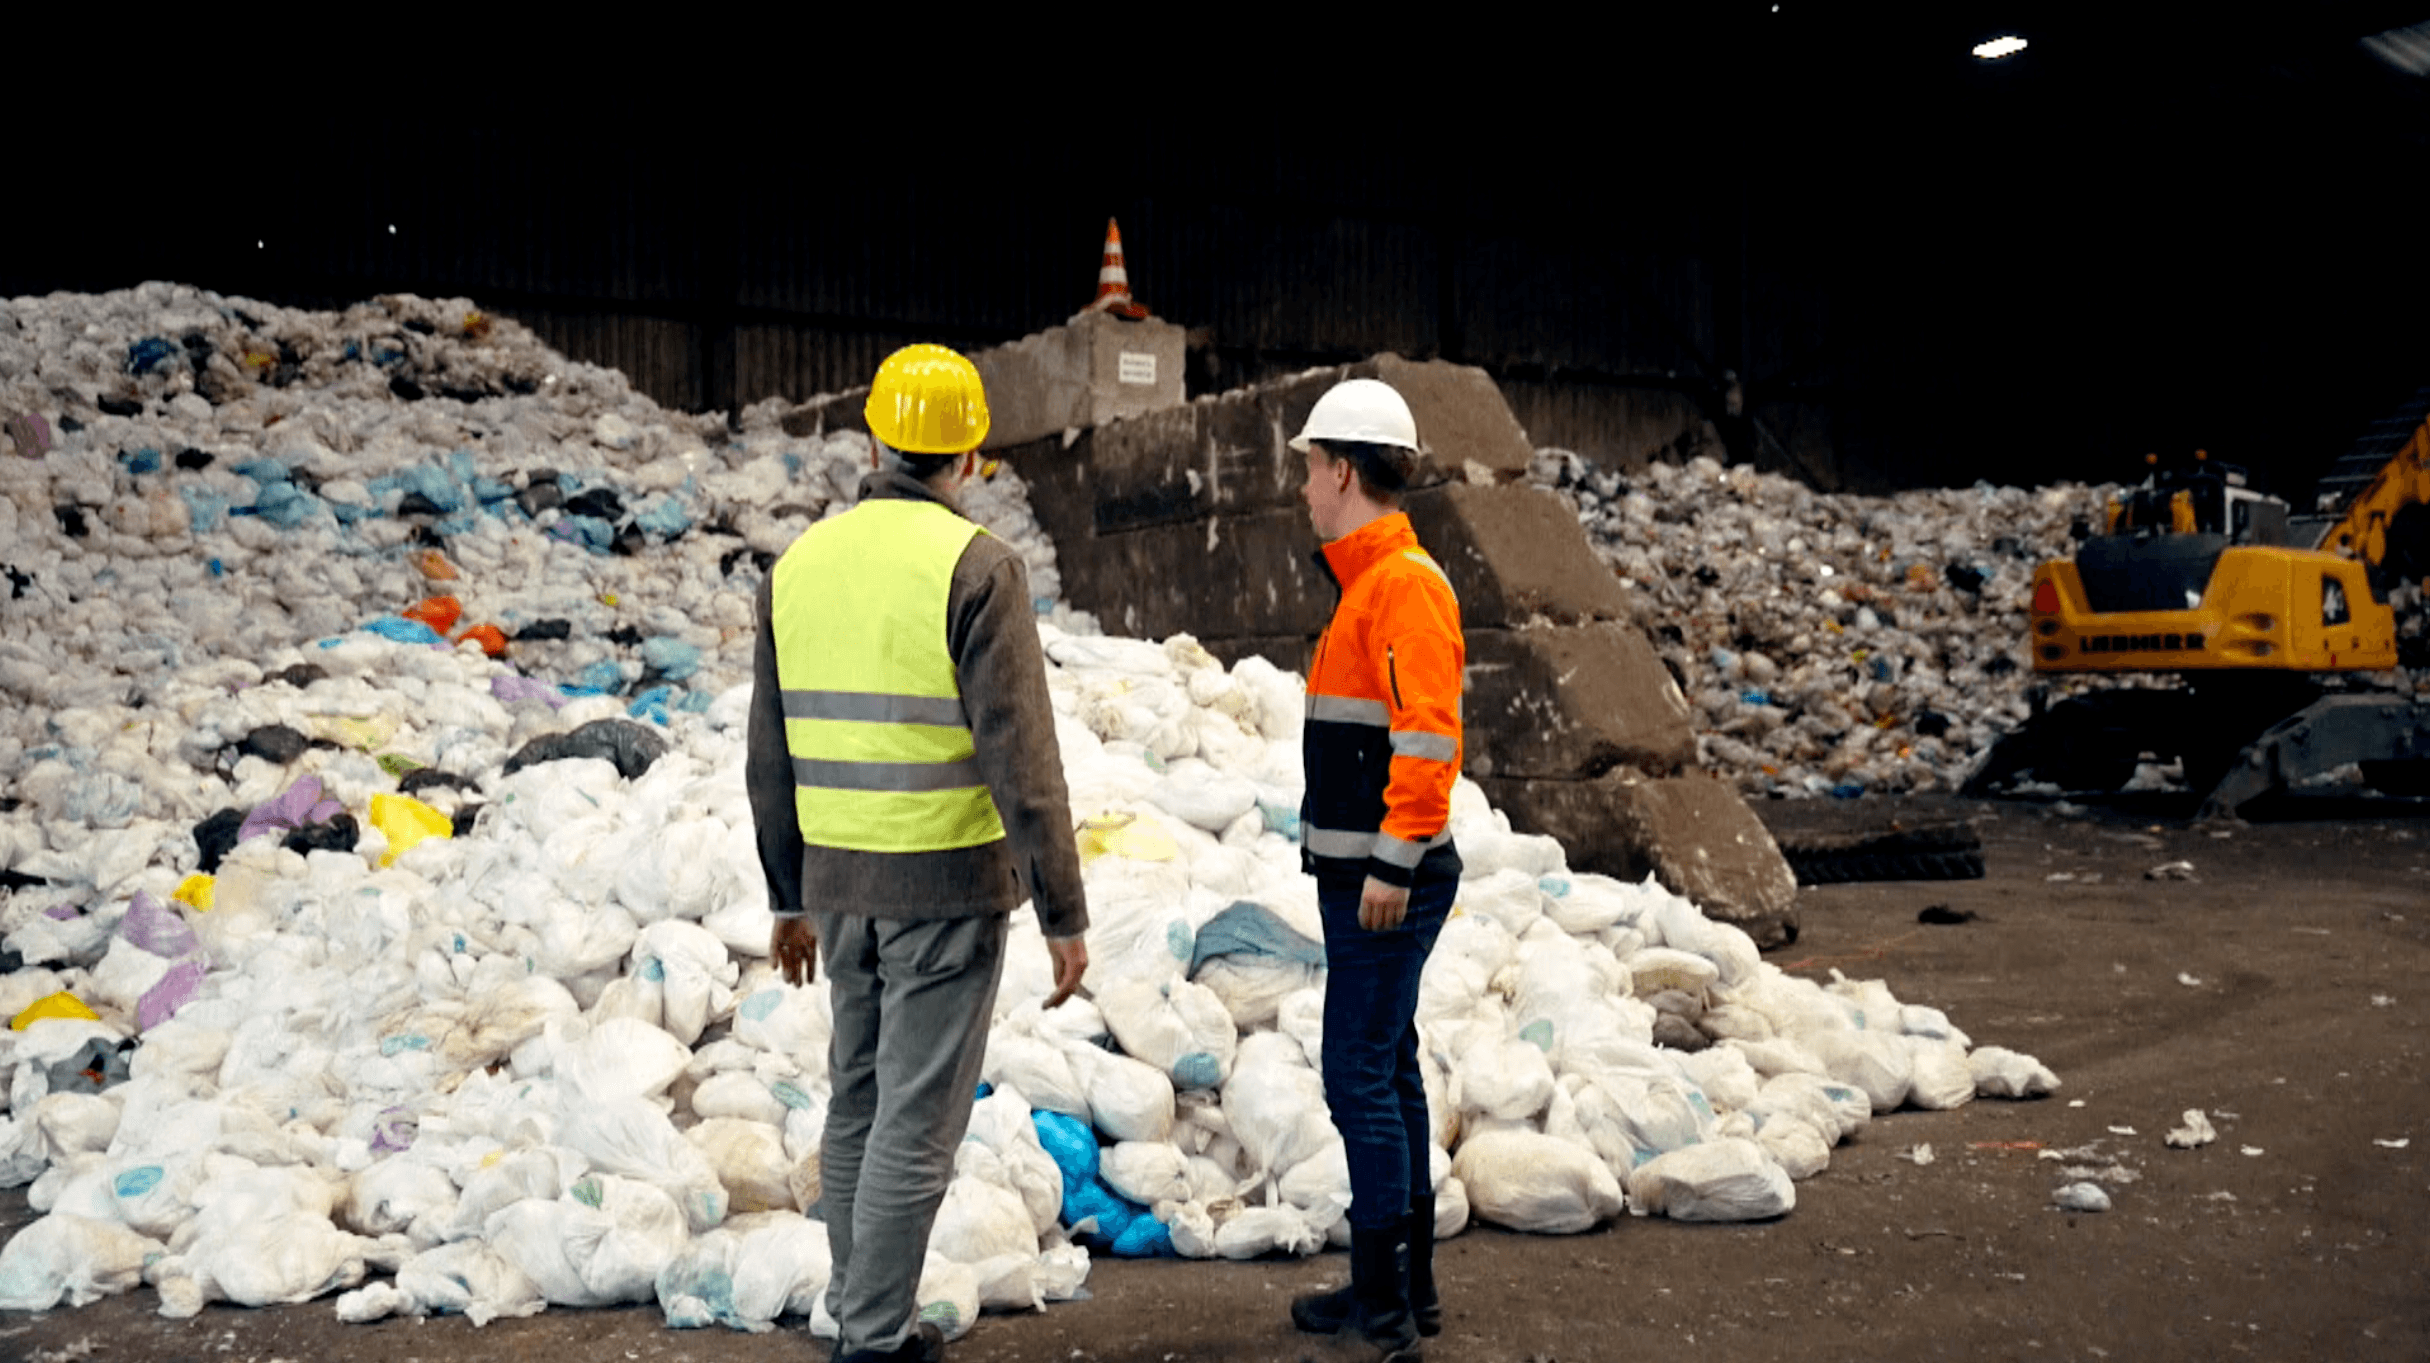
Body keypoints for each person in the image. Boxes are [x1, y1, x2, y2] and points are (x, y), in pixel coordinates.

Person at [747, 343, 1090, 1363]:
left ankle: (859, 1308)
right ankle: (876, 1337)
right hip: (943, 887)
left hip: (839, 888)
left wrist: (787, 895)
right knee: (916, 1120)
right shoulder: (980, 569)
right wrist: (1062, 909)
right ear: (972, 455)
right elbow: (1023, 760)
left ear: (874, 440)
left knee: (857, 1094)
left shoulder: (797, 566)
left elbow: (770, 754)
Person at [1285, 377, 1464, 1361]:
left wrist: (1393, 864)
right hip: (1368, 872)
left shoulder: (1404, 584)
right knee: (1386, 1066)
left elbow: (1429, 740)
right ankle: (1402, 1289)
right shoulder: (1368, 581)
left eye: (1313, 468)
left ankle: (1385, 1309)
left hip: (1387, 879)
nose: (1306, 487)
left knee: (1356, 1074)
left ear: (1344, 470)